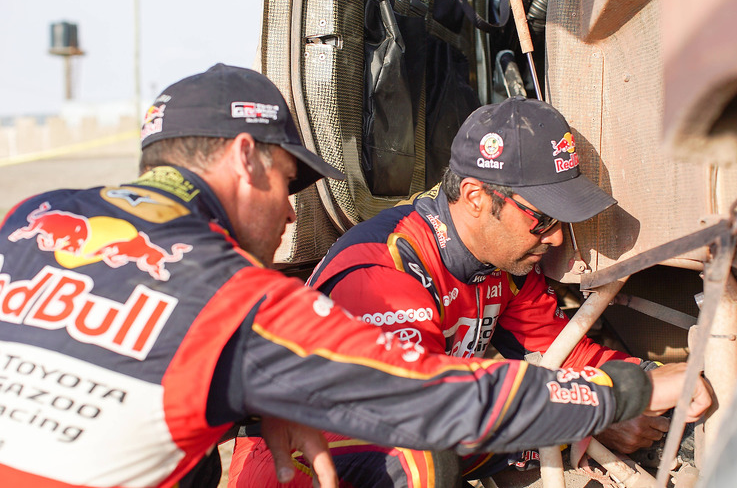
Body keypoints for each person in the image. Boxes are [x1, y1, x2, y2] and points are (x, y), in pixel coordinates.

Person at [0, 66, 709, 488]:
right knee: (424, 452)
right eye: (289, 180)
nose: (290, 214)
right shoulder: (250, 296)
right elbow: (435, 403)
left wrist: (251, 393)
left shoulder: (30, 216)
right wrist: (629, 392)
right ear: (245, 157)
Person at [230, 96, 694, 487]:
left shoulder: (503, 263)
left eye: (562, 221)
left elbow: (563, 355)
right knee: (426, 458)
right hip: (302, 463)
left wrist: (659, 375)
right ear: (475, 198)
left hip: (418, 433)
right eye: (543, 218)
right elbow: (435, 411)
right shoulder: (384, 273)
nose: (554, 238)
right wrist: (599, 410)